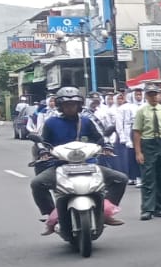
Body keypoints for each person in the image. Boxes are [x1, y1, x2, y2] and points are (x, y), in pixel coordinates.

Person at [29, 87, 129, 229]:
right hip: (60, 166)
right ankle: (52, 214)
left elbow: (99, 138)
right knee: (37, 184)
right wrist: (43, 151)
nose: (70, 108)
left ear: (79, 105)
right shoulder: (51, 122)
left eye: (73, 104)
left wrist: (107, 146)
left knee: (121, 179)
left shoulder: (87, 121)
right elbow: (43, 142)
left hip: (88, 164)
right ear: (60, 106)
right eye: (67, 105)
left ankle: (106, 210)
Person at [131, 87, 161, 221]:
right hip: (148, 143)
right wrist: (138, 152)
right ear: (146, 96)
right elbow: (137, 132)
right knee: (148, 177)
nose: (153, 97)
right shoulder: (141, 112)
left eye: (155, 94)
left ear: (159, 95)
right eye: (150, 95)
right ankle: (147, 209)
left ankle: (158, 207)